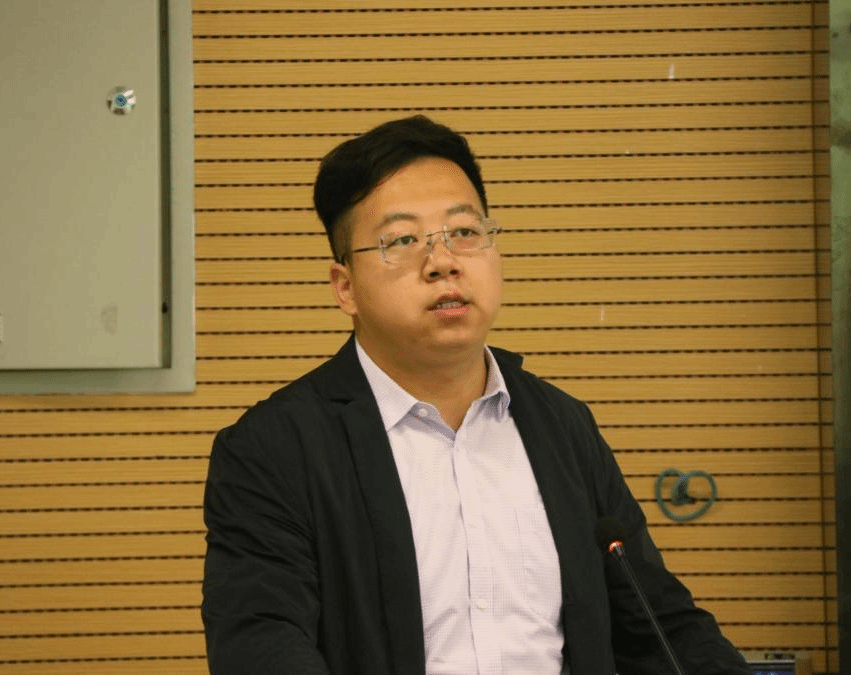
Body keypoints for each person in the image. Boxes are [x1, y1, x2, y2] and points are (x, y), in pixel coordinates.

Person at [201, 115, 751, 674]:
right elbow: (261, 646)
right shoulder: (273, 450)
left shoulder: (562, 426)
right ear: (346, 288)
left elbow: (660, 626)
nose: (443, 262)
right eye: (402, 240)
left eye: (464, 232)